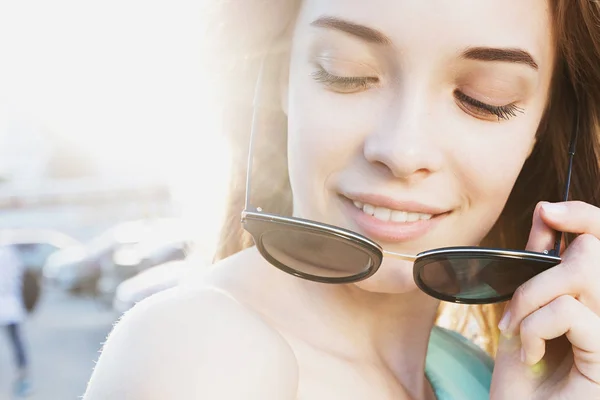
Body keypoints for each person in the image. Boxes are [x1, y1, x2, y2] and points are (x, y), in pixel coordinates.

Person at [84, 1, 600, 398]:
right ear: (279, 81)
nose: (401, 149)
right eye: (344, 71)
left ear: (544, 127)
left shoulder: (484, 371)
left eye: (484, 98)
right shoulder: (201, 351)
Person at [0, 244, 33, 398]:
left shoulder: (7, 253)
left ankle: (23, 377)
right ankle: (23, 375)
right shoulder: (10, 253)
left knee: (16, 342)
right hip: (11, 306)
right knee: (16, 342)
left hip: (8, 306)